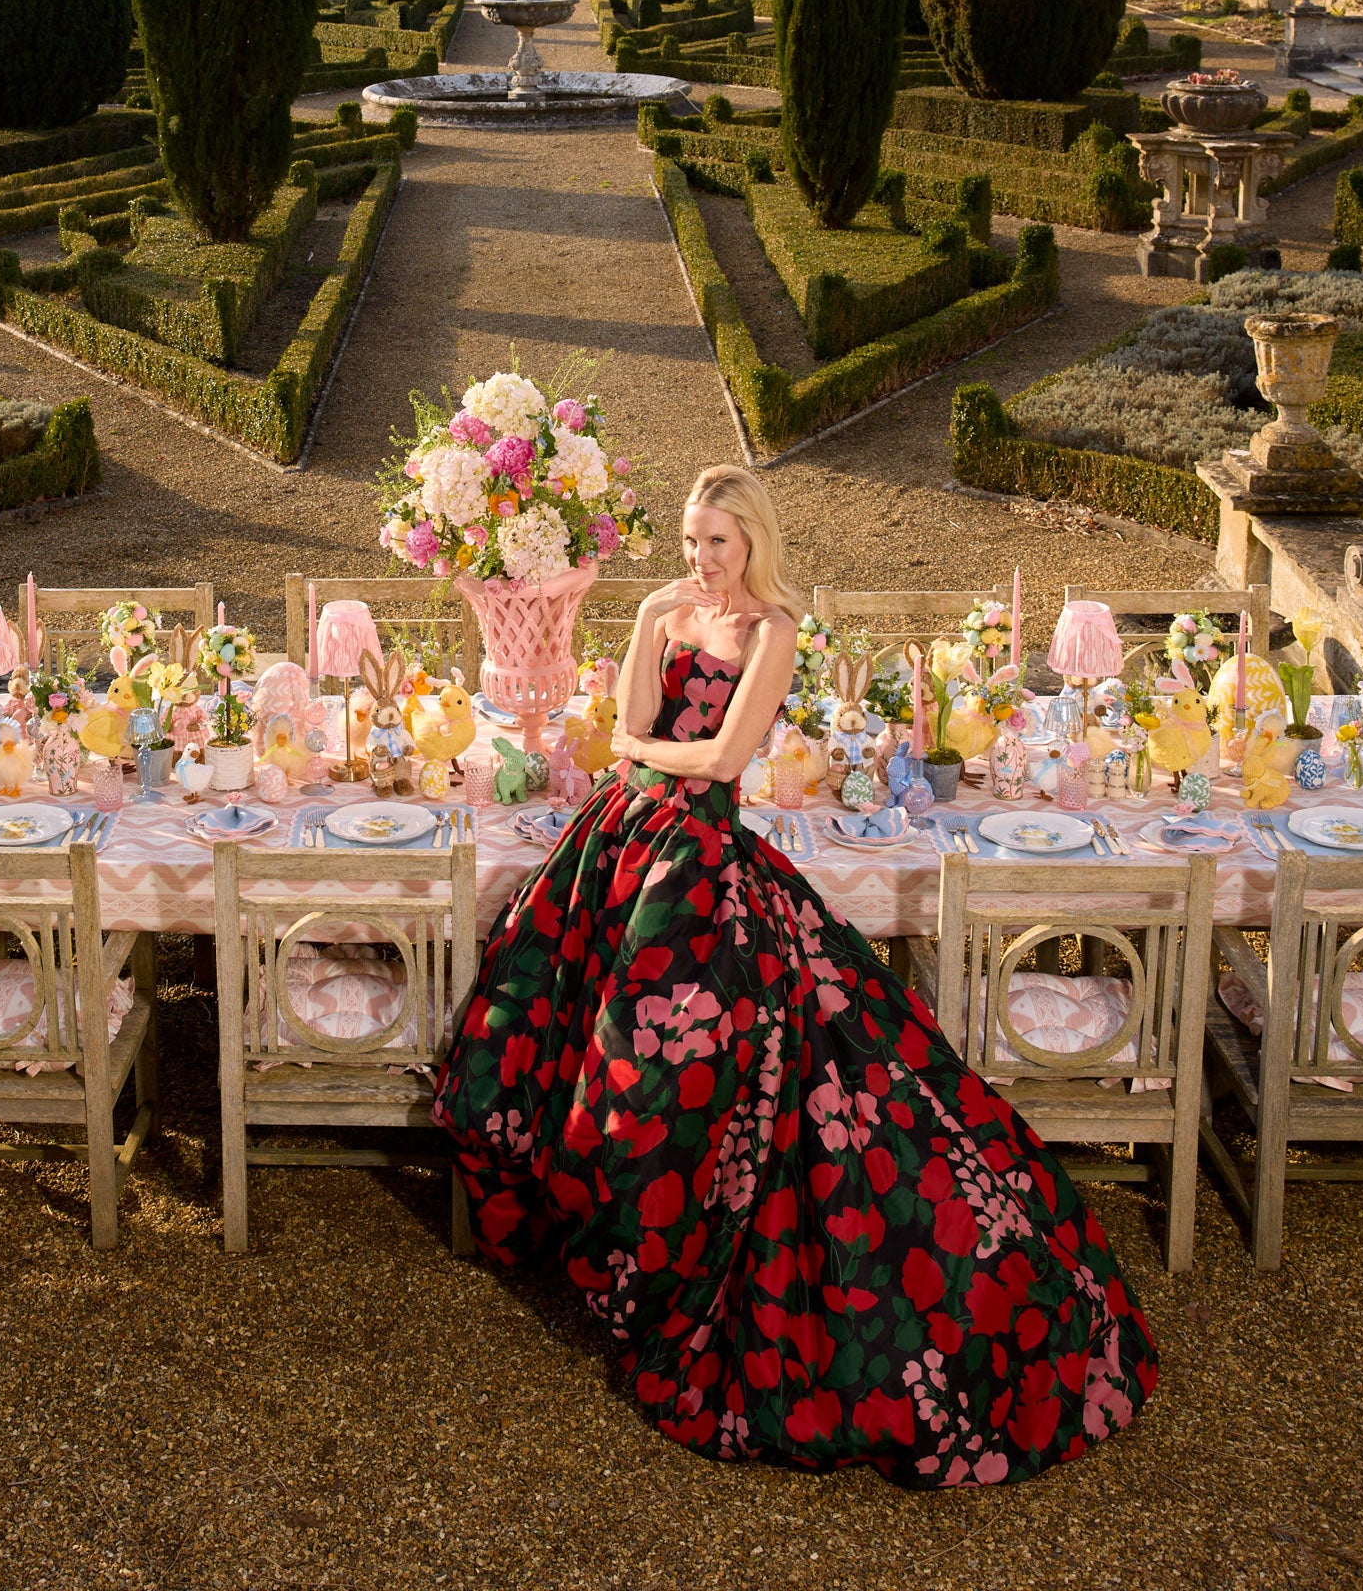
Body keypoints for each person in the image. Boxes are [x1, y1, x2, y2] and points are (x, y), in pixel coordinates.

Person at [434, 464, 1157, 1487]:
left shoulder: (771, 630)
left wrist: (637, 747)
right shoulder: (665, 611)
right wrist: (644, 626)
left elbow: (720, 760)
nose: (700, 559)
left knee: (664, 1062)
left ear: (752, 543)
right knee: (552, 1017)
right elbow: (632, 718)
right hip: (622, 837)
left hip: (697, 856)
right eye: (691, 541)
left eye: (717, 543)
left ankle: (673, 1255)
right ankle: (597, 1231)